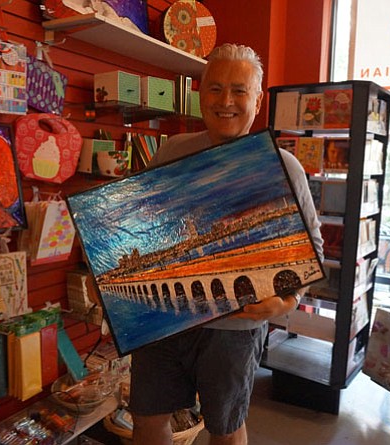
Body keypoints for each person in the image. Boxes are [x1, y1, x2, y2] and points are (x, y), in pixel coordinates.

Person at [130, 43, 324, 445]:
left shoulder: (282, 166)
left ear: (257, 98)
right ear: (200, 96)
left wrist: (285, 303)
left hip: (233, 328)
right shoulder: (171, 152)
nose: (227, 101)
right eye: (215, 89)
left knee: (226, 428)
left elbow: (312, 248)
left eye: (239, 90)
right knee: (148, 419)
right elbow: (142, 230)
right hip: (165, 318)